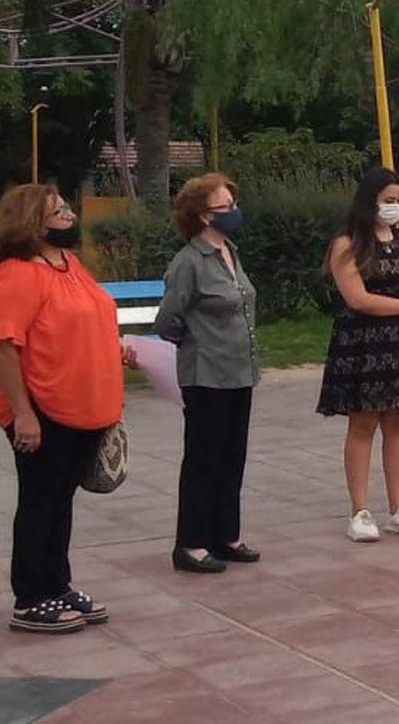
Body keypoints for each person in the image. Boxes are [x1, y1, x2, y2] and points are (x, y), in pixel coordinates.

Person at [0, 184, 135, 633]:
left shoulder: (70, 265)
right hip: (41, 409)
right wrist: (23, 414)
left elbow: (84, 319)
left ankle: (57, 583)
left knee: (61, 501)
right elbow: (1, 345)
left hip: (82, 405)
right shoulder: (18, 273)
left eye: (67, 209)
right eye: (58, 212)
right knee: (39, 500)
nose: (69, 216)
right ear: (32, 222)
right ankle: (30, 597)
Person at [318, 166, 399, 542]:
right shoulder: (347, 244)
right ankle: (360, 510)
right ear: (370, 201)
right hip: (363, 344)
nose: (394, 208)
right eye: (388, 201)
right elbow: (359, 299)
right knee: (363, 424)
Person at [154, 174, 261, 573]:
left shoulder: (231, 252)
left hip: (241, 371)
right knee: (203, 457)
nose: (233, 212)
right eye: (224, 207)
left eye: (234, 204)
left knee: (232, 455)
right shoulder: (189, 262)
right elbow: (168, 319)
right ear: (202, 216)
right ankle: (192, 542)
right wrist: (196, 340)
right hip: (205, 373)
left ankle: (225, 534)